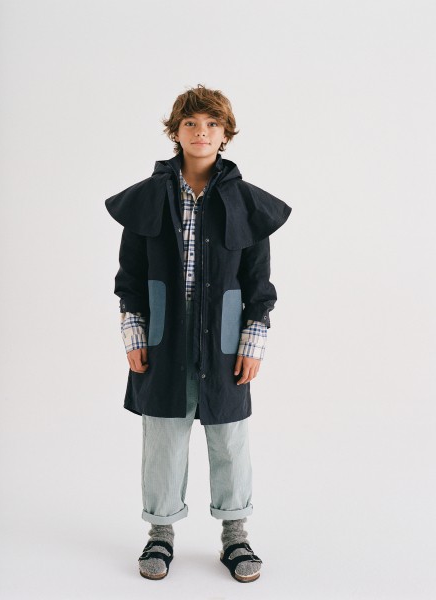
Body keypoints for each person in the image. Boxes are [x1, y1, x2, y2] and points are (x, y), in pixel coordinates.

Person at [105, 84, 292, 582]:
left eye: (212, 124)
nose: (201, 132)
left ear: (226, 134)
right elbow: (130, 279)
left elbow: (259, 284)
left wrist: (252, 341)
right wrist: (134, 334)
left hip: (225, 343)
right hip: (163, 340)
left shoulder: (246, 203)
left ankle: (235, 533)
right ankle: (160, 532)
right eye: (191, 123)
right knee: (163, 440)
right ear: (175, 132)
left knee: (230, 439)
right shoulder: (147, 199)